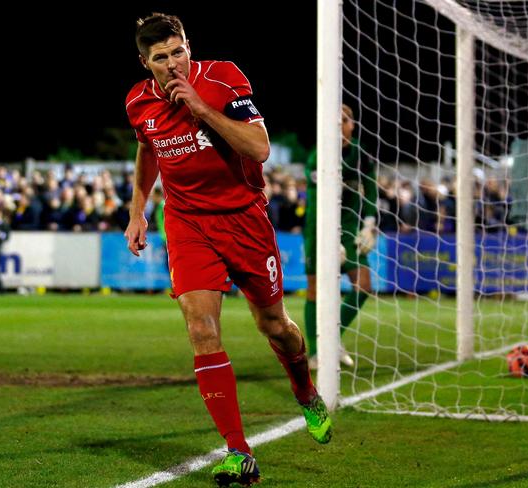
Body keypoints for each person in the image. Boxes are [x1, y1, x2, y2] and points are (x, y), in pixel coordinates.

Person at [124, 13, 332, 487]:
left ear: (188, 46)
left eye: (179, 51)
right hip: (186, 222)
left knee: (274, 326)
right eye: (161, 57)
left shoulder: (221, 78)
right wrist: (137, 211)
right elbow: (147, 150)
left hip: (244, 219)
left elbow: (259, 149)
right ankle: (239, 452)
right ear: (145, 62)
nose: (173, 63)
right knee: (201, 328)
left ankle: (304, 390)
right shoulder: (138, 101)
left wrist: (201, 109)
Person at [303, 104, 377, 370]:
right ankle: (314, 352)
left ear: (352, 125)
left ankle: (331, 340)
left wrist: (370, 223)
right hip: (319, 230)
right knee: (315, 289)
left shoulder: (360, 154)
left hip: (349, 230)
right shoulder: (319, 156)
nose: (340, 126)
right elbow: (319, 202)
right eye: (334, 122)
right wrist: (329, 240)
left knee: (364, 285)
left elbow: (370, 189)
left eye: (344, 121)